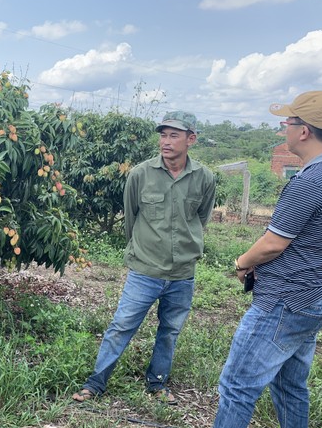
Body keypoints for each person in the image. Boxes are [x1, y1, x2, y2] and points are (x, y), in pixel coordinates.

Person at [159, 91, 322, 428]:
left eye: (287, 122)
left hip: (284, 301)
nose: (283, 128)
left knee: (238, 383)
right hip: (313, 298)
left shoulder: (311, 180)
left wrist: (241, 262)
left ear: (303, 130)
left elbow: (273, 244)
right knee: (290, 382)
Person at [72, 111, 216, 405]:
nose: (166, 141)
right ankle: (95, 383)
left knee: (170, 330)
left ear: (191, 139)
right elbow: (130, 219)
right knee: (122, 325)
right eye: (163, 134)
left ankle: (157, 383)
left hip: (182, 273)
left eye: (174, 135)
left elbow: (200, 219)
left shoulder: (205, 177)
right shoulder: (140, 174)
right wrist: (141, 250)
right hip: (144, 270)